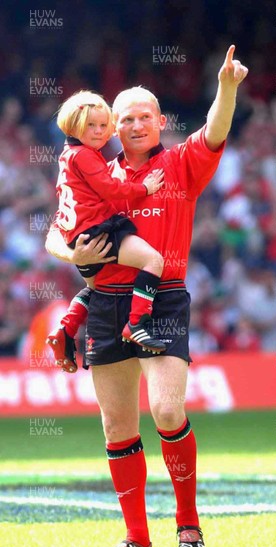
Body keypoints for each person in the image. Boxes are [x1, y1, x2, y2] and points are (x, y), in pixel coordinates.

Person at [46, 45, 248, 547]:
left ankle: (188, 526)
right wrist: (75, 252)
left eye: (144, 116)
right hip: (106, 302)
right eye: (125, 118)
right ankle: (137, 541)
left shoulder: (182, 163)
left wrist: (226, 88)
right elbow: (55, 235)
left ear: (160, 121)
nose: (135, 125)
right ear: (113, 125)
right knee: (117, 428)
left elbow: (217, 129)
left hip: (161, 301)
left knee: (166, 408)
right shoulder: (96, 169)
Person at [47, 90, 166, 373]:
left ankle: (67, 328)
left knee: (96, 287)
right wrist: (144, 188)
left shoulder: (67, 156)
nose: (99, 132)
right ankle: (137, 323)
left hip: (77, 236)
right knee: (153, 261)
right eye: (91, 125)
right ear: (73, 125)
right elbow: (111, 189)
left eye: (103, 125)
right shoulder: (85, 156)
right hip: (96, 231)